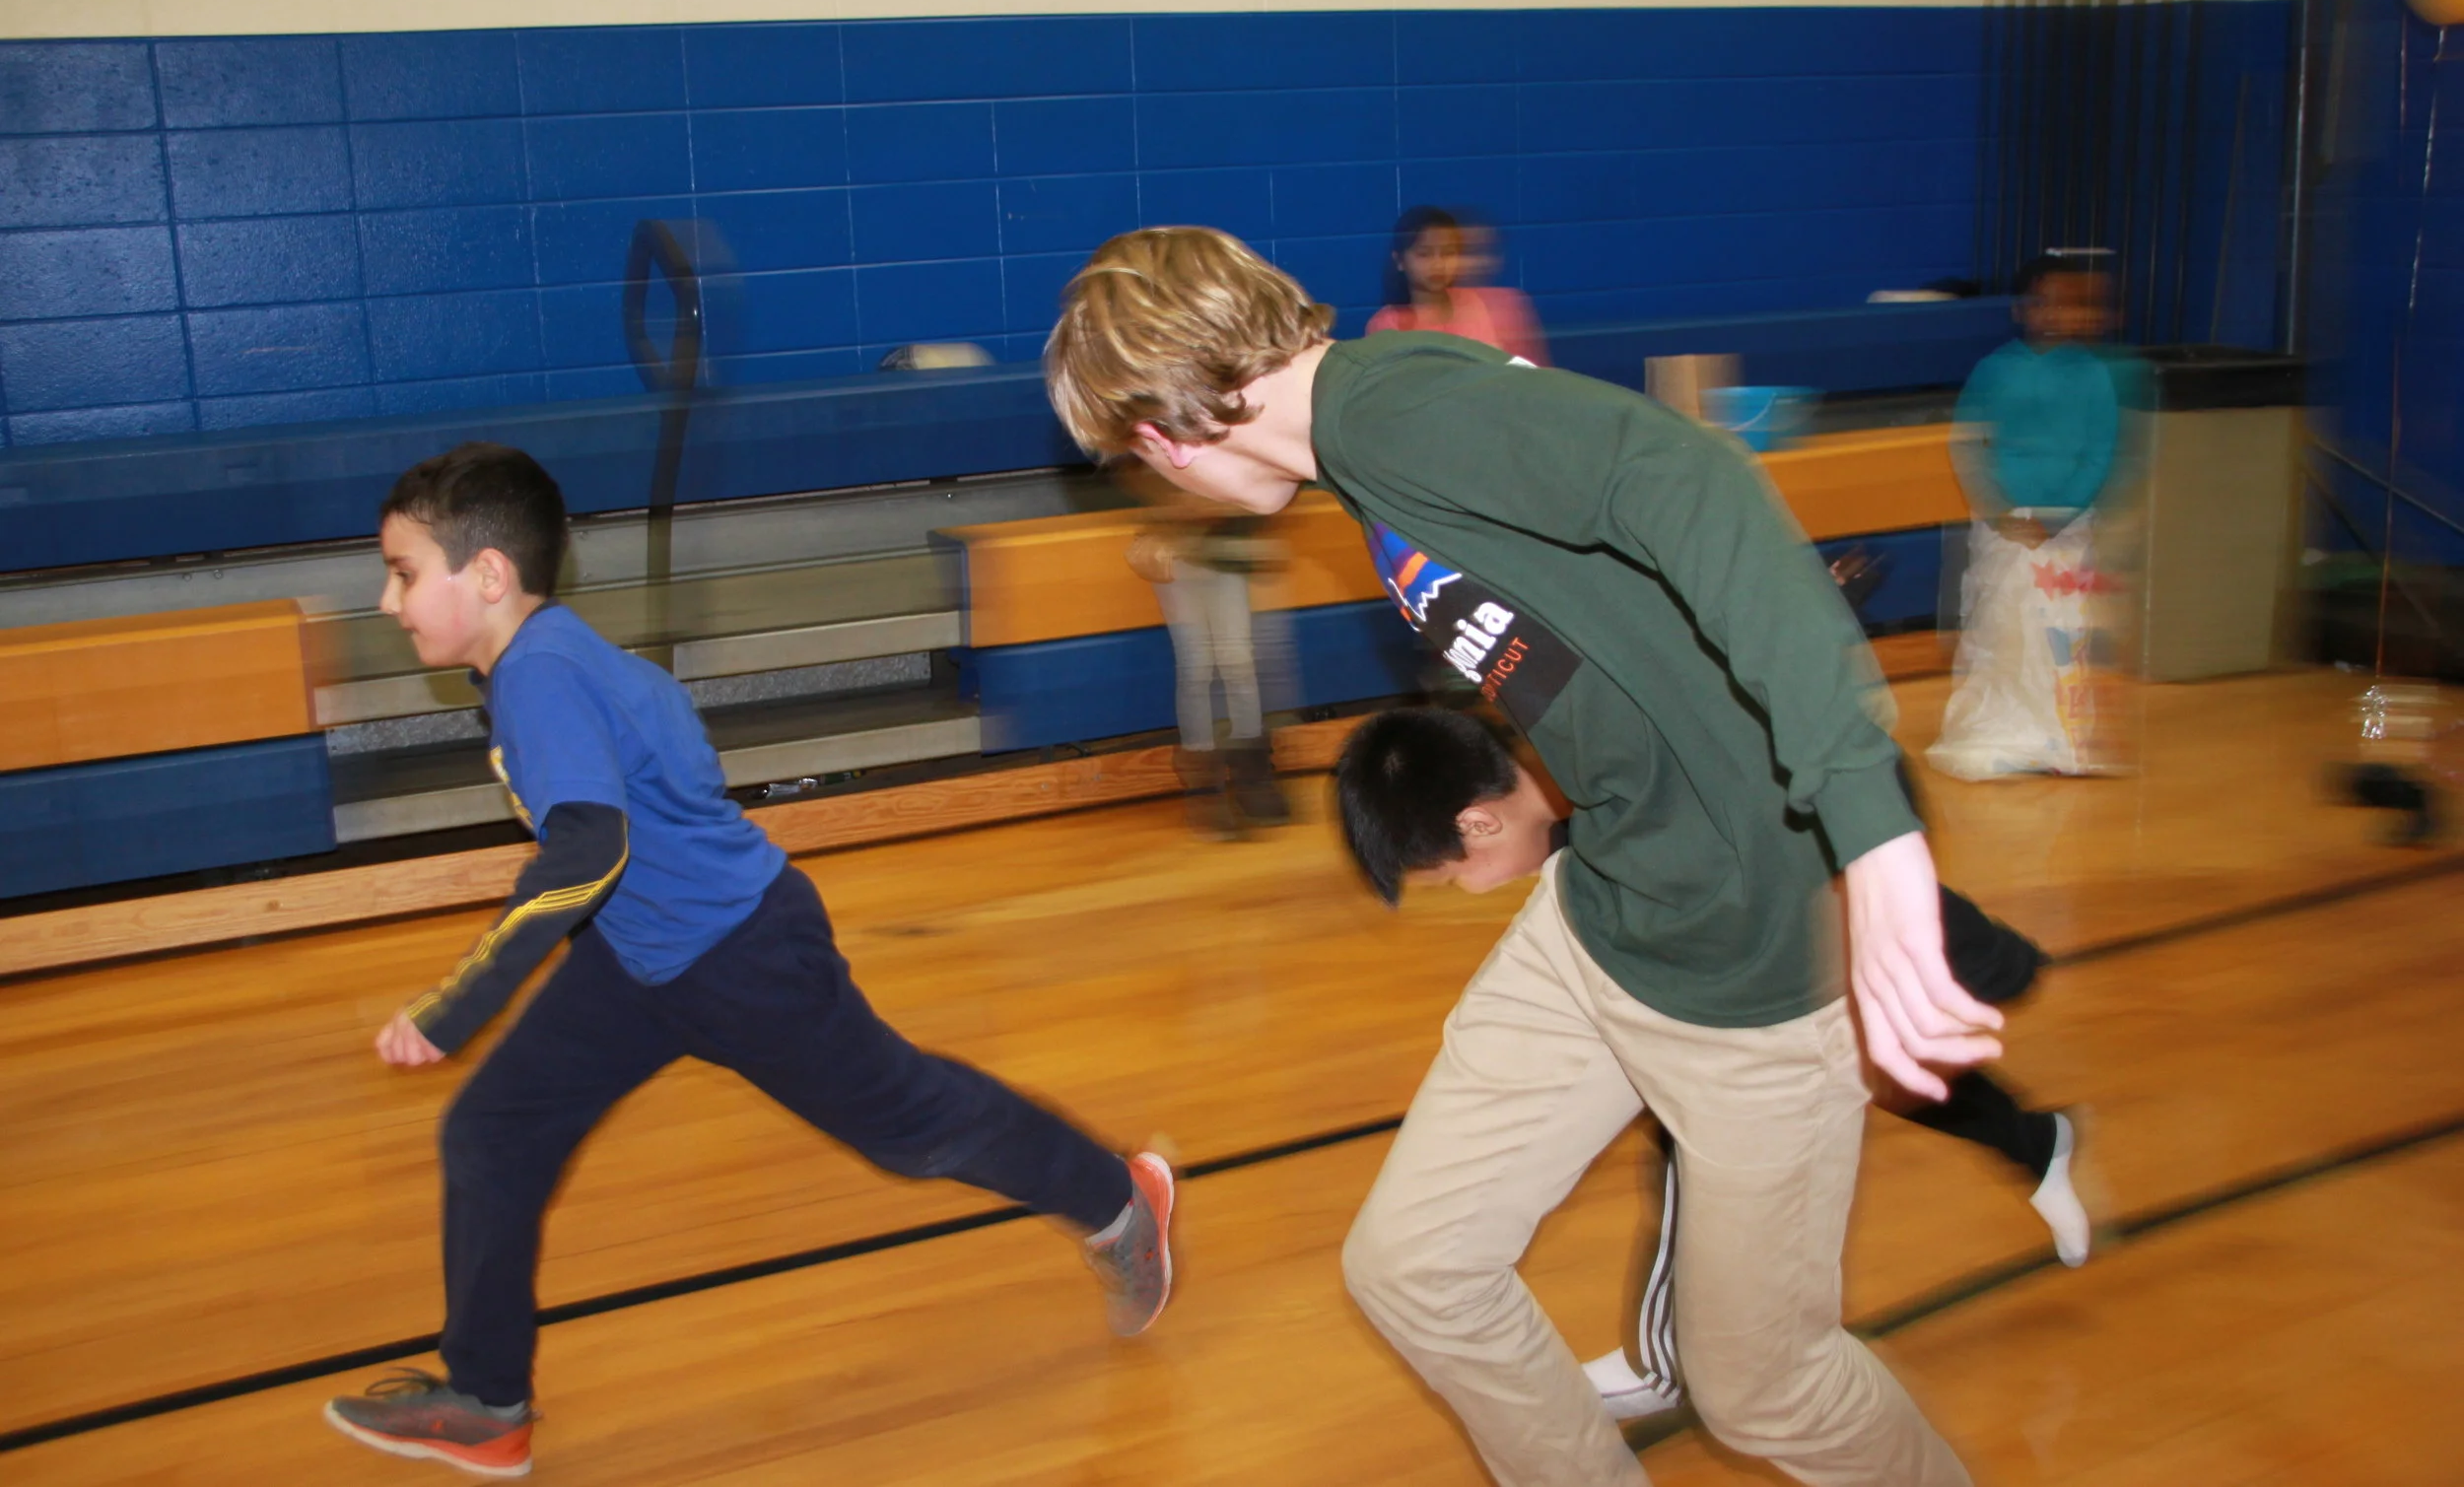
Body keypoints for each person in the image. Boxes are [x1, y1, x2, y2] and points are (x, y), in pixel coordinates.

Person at [1045, 227, 1999, 1487]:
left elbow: (1690, 475)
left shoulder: (1392, 413)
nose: (1158, 485)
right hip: (1604, 915)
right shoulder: (1366, 454)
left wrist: (1870, 835)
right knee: (1416, 1266)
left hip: (1746, 964)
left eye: (1137, 465)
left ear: (1161, 433)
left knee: (1767, 1389)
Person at [321, 442, 1174, 1478]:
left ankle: (1121, 1199)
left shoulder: (540, 673)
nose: (385, 598)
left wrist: (456, 1005)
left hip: (740, 957)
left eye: (405, 571)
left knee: (909, 1123)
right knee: (495, 1133)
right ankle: (489, 1399)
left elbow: (587, 850)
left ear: (488, 574)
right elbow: (665, 746)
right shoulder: (552, 654)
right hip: (639, 961)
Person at [1331, 707, 2092, 1430]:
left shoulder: (1631, 789)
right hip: (1771, 878)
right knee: (1858, 1064)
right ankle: (2035, 1141)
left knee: (1725, 1105)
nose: (1474, 888)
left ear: (1478, 821)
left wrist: (1976, 951)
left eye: (1455, 873)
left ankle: (1663, 1363)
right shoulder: (1570, 795)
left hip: (1835, 822)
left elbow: (1842, 831)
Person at [1929, 254, 2131, 781]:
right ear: (2023, 309)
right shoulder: (1994, 370)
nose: (2058, 314)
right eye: (2046, 302)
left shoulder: (2091, 375)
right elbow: (1968, 445)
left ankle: (2059, 736)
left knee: (2060, 629)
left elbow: (2100, 452)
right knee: (2002, 625)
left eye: (2071, 303)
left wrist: (2059, 518)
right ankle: (1999, 731)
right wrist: (1999, 513)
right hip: (2005, 525)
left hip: (2066, 526)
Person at [1122, 478, 1290, 836]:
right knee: (1197, 665)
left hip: (1224, 547)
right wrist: (1173, 505)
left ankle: (1250, 775)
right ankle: (1206, 788)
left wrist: (1227, 505)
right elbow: (1131, 464)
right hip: (1177, 547)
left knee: (1238, 662)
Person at [1366, 205, 1549, 366]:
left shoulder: (1486, 304)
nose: (1438, 264)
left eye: (1448, 253)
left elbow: (1523, 374)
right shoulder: (1386, 325)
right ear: (1400, 261)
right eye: (1424, 254)